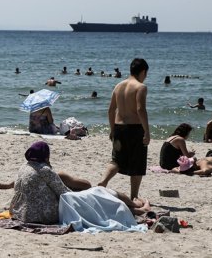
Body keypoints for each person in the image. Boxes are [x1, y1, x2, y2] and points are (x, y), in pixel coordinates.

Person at [9, 141, 149, 224]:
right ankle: (137, 207)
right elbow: (65, 193)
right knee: (99, 195)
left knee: (97, 197)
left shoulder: (24, 167)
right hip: (43, 215)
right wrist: (87, 196)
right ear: (46, 156)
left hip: (21, 212)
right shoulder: (45, 170)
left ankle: (135, 207)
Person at [99, 58, 150, 199]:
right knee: (137, 164)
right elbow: (140, 109)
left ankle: (103, 181)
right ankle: (134, 196)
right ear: (143, 72)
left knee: (116, 160)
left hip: (119, 127)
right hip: (135, 129)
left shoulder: (118, 86)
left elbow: (111, 110)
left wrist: (112, 129)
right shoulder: (140, 87)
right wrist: (146, 131)